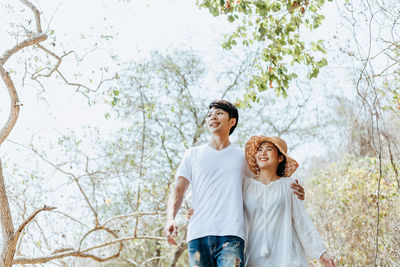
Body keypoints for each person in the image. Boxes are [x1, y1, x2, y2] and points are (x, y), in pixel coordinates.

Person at [164, 100, 305, 267]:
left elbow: (266, 183)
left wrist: (289, 188)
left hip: (231, 234)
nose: (212, 117)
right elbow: (179, 191)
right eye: (209, 115)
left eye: (219, 113)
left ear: (232, 121)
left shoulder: (242, 158)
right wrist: (170, 218)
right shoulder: (193, 154)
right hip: (198, 233)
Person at [243, 135, 335, 266]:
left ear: (280, 158)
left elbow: (302, 220)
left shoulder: (289, 185)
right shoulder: (245, 186)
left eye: (269, 149)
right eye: (259, 149)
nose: (262, 153)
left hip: (287, 257)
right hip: (254, 258)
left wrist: (321, 253)